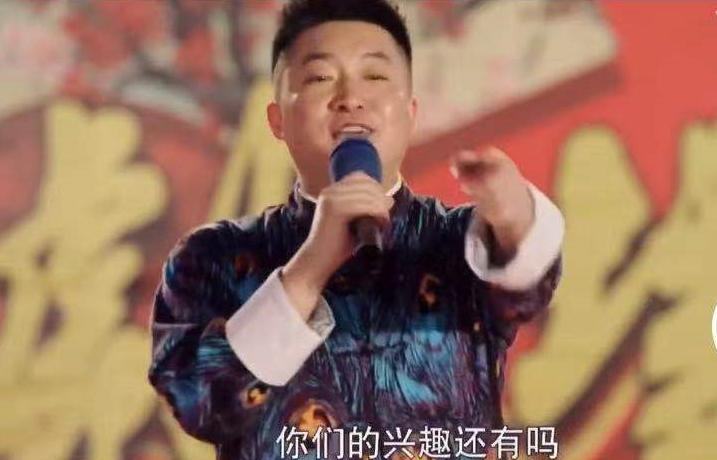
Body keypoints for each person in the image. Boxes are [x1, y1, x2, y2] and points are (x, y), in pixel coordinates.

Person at [148, 0, 564, 458]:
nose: (350, 97)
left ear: (410, 112)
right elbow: (197, 401)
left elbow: (527, 279)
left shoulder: (457, 244)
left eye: (375, 75)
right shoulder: (212, 257)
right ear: (277, 120)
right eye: (320, 78)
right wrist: (310, 268)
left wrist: (512, 212)